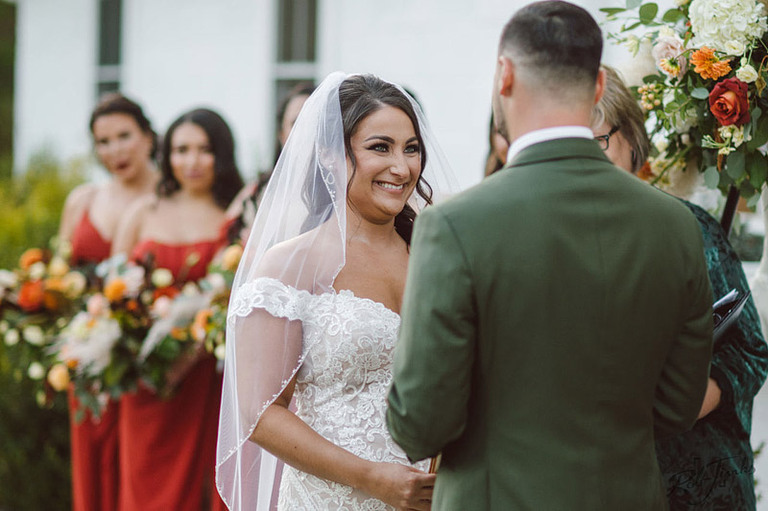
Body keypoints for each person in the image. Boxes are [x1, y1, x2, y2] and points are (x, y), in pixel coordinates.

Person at [385, 2, 714, 509]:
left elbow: (421, 424)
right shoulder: (675, 225)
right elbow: (676, 409)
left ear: (505, 76)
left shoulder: (455, 225)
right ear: (599, 86)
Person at [215, 72, 455, 510]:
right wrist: (373, 478)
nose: (401, 168)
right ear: (329, 154)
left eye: (411, 149)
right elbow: (262, 413)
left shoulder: (439, 255)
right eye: (380, 147)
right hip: (330, 499)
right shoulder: (289, 266)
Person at [591, 65, 768, 510]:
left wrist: (678, 407)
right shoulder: (544, 239)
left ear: (631, 138)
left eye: (596, 142)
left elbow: (749, 351)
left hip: (693, 472)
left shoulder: (688, 227)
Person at [112, 108, 244, 511]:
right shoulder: (143, 212)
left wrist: (192, 352)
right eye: (181, 149)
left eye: (205, 150)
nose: (192, 161)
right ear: (166, 154)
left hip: (209, 376)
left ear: (222, 154)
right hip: (147, 380)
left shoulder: (235, 217)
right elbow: (111, 292)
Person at [57, 92, 158, 511]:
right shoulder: (82, 200)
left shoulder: (166, 199)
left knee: (140, 469)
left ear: (148, 137)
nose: (114, 150)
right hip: (87, 355)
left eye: (124, 136)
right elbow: (58, 278)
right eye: (103, 141)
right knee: (93, 463)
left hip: (148, 357)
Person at [225, 83, 316, 245]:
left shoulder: (348, 191)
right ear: (282, 135)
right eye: (297, 123)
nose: (308, 130)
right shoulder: (257, 191)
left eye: (316, 122)